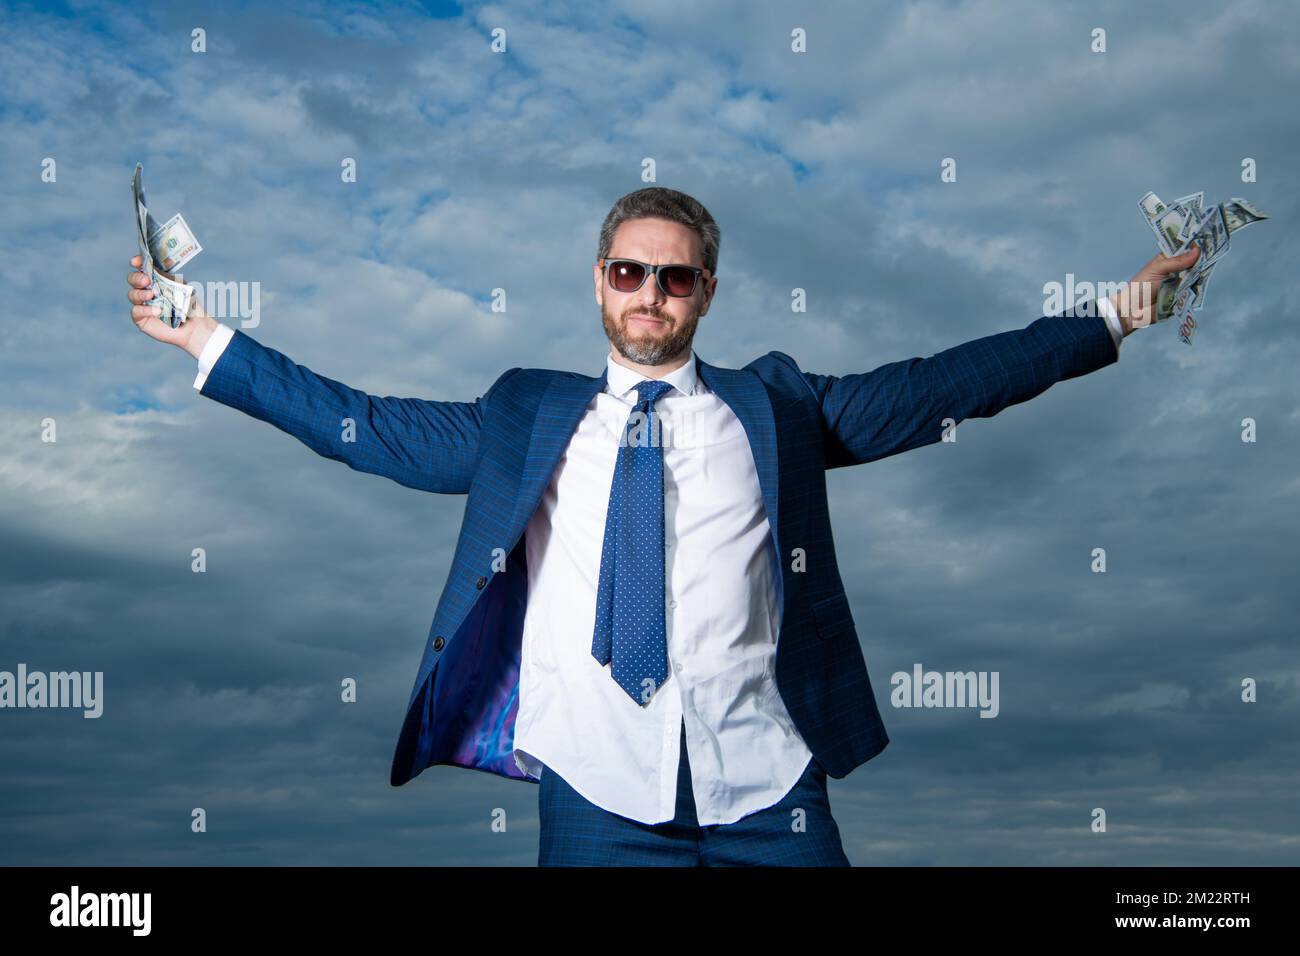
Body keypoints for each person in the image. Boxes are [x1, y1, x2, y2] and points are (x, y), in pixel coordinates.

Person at [125, 186, 1199, 866]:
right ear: (601, 281)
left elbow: (941, 385)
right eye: (630, 271)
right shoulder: (527, 414)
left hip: (769, 783)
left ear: (705, 292)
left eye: (673, 276)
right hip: (597, 793)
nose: (650, 292)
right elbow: (365, 427)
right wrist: (204, 334)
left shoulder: (776, 406)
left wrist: (1109, 313)